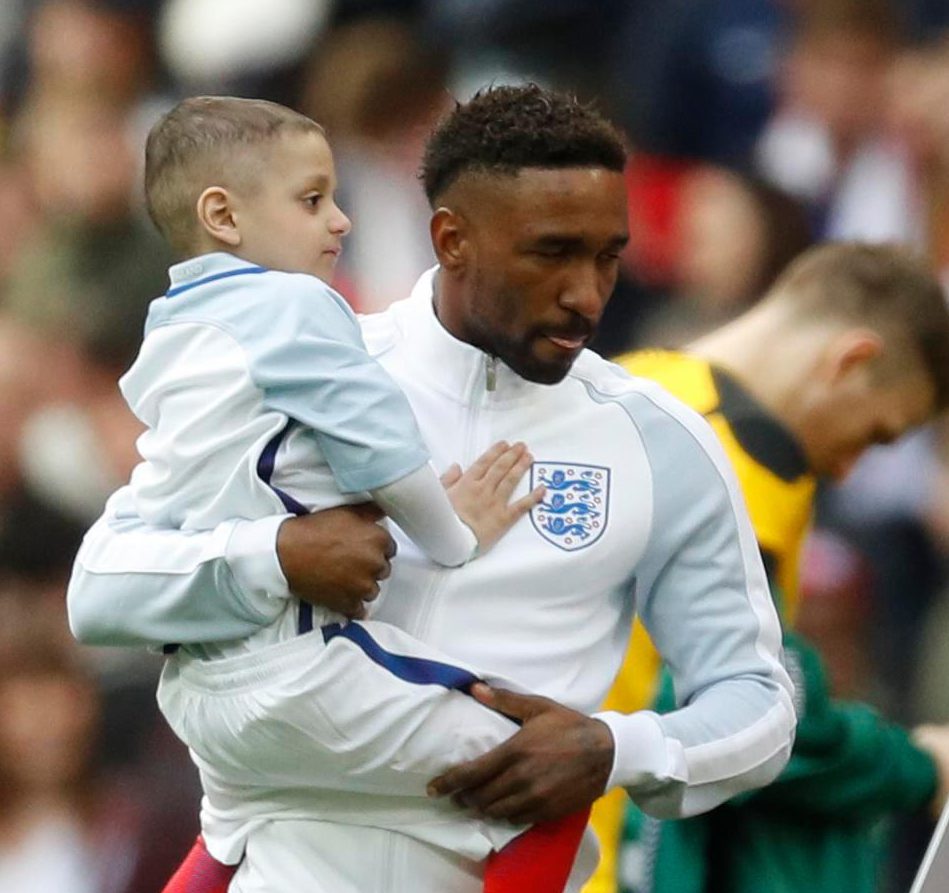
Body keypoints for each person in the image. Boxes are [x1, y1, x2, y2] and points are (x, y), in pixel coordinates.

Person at [67, 84, 796, 893]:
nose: (585, 294)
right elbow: (102, 586)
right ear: (450, 238)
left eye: (608, 257)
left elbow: (758, 708)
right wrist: (273, 554)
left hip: (492, 861)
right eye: (551, 252)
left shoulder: (659, 440)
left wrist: (615, 748)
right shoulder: (309, 366)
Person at [100, 93, 592, 893]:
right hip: (299, 667)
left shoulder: (170, 330)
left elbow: (123, 556)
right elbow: (381, 448)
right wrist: (452, 529)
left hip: (196, 688)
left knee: (228, 831)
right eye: (311, 199)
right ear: (222, 215)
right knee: (554, 772)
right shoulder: (293, 305)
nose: (341, 220)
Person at [584, 242, 949, 893]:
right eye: (874, 435)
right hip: (610, 858)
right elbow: (768, 724)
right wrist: (915, 763)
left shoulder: (621, 380)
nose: (847, 468)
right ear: (850, 360)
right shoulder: (746, 467)